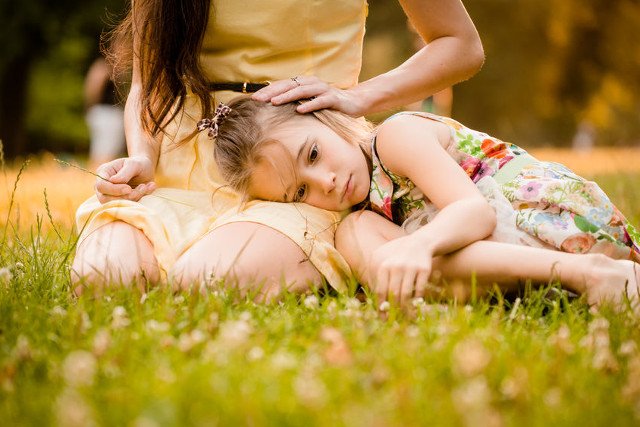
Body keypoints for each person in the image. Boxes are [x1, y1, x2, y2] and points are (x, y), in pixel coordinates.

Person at [71, 0, 485, 299]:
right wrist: (143, 156)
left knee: (203, 284)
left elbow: (459, 44)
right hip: (174, 168)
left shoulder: (322, 174)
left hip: (299, 172)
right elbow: (150, 83)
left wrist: (359, 98)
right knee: (103, 280)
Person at [209, 96, 640, 307]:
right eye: (300, 192)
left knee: (382, 241)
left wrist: (416, 245)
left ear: (326, 118)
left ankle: (593, 273)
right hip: (511, 253)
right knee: (357, 235)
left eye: (314, 154)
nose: (326, 182)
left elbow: (475, 213)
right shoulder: (360, 213)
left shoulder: (395, 137)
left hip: (548, 221)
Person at [84, 56, 126, 167]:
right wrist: (92, 107)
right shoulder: (103, 66)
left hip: (107, 113)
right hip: (106, 113)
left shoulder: (109, 67)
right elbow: (93, 89)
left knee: (106, 149)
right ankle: (97, 174)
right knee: (104, 150)